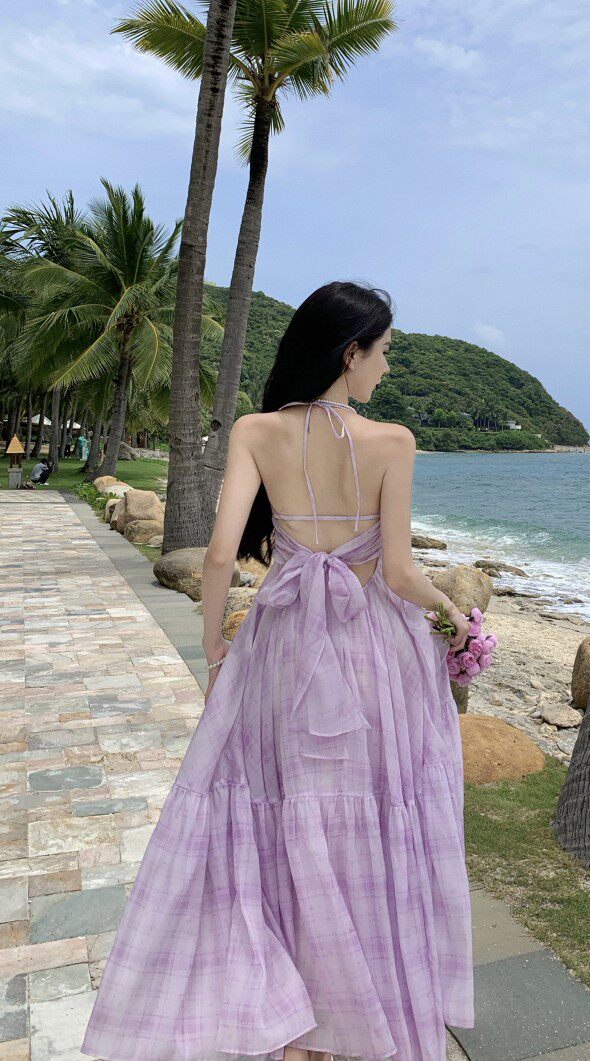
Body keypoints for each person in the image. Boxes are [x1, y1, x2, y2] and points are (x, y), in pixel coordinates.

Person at [81, 281, 475, 1061]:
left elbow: (220, 553)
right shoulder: (393, 442)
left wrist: (214, 647)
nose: (388, 367)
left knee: (279, 811)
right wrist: (455, 619)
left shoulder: (257, 431)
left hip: (279, 647)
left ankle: (292, 1018)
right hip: (367, 653)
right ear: (350, 353)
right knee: (357, 816)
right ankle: (344, 1009)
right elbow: (400, 573)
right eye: (384, 352)